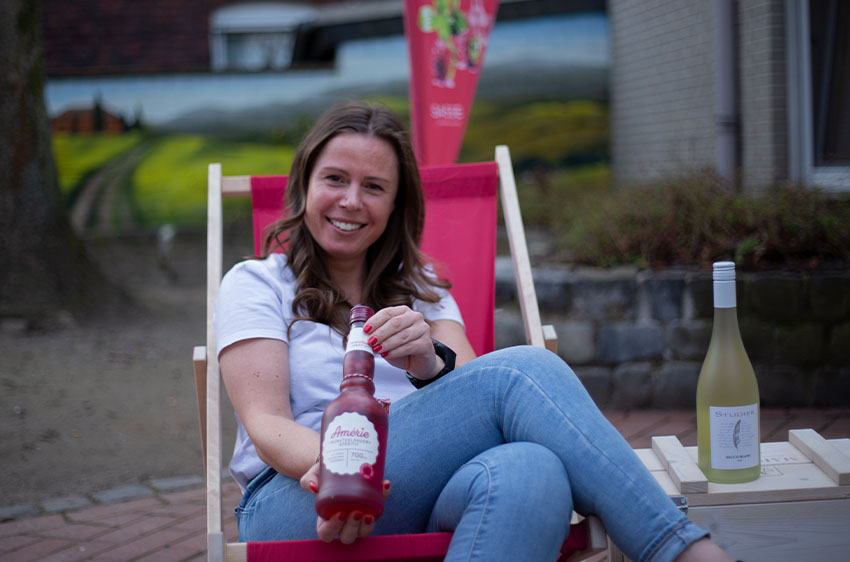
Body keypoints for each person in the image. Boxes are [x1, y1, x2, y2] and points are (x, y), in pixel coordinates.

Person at [214, 101, 734, 562]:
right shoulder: (259, 283)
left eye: (373, 187)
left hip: (424, 492)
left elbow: (470, 384)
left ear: (396, 205)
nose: (351, 200)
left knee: (532, 471)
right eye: (334, 179)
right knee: (522, 372)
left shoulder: (426, 292)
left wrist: (427, 362)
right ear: (304, 183)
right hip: (300, 497)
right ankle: (681, 550)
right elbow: (266, 425)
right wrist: (346, 477)